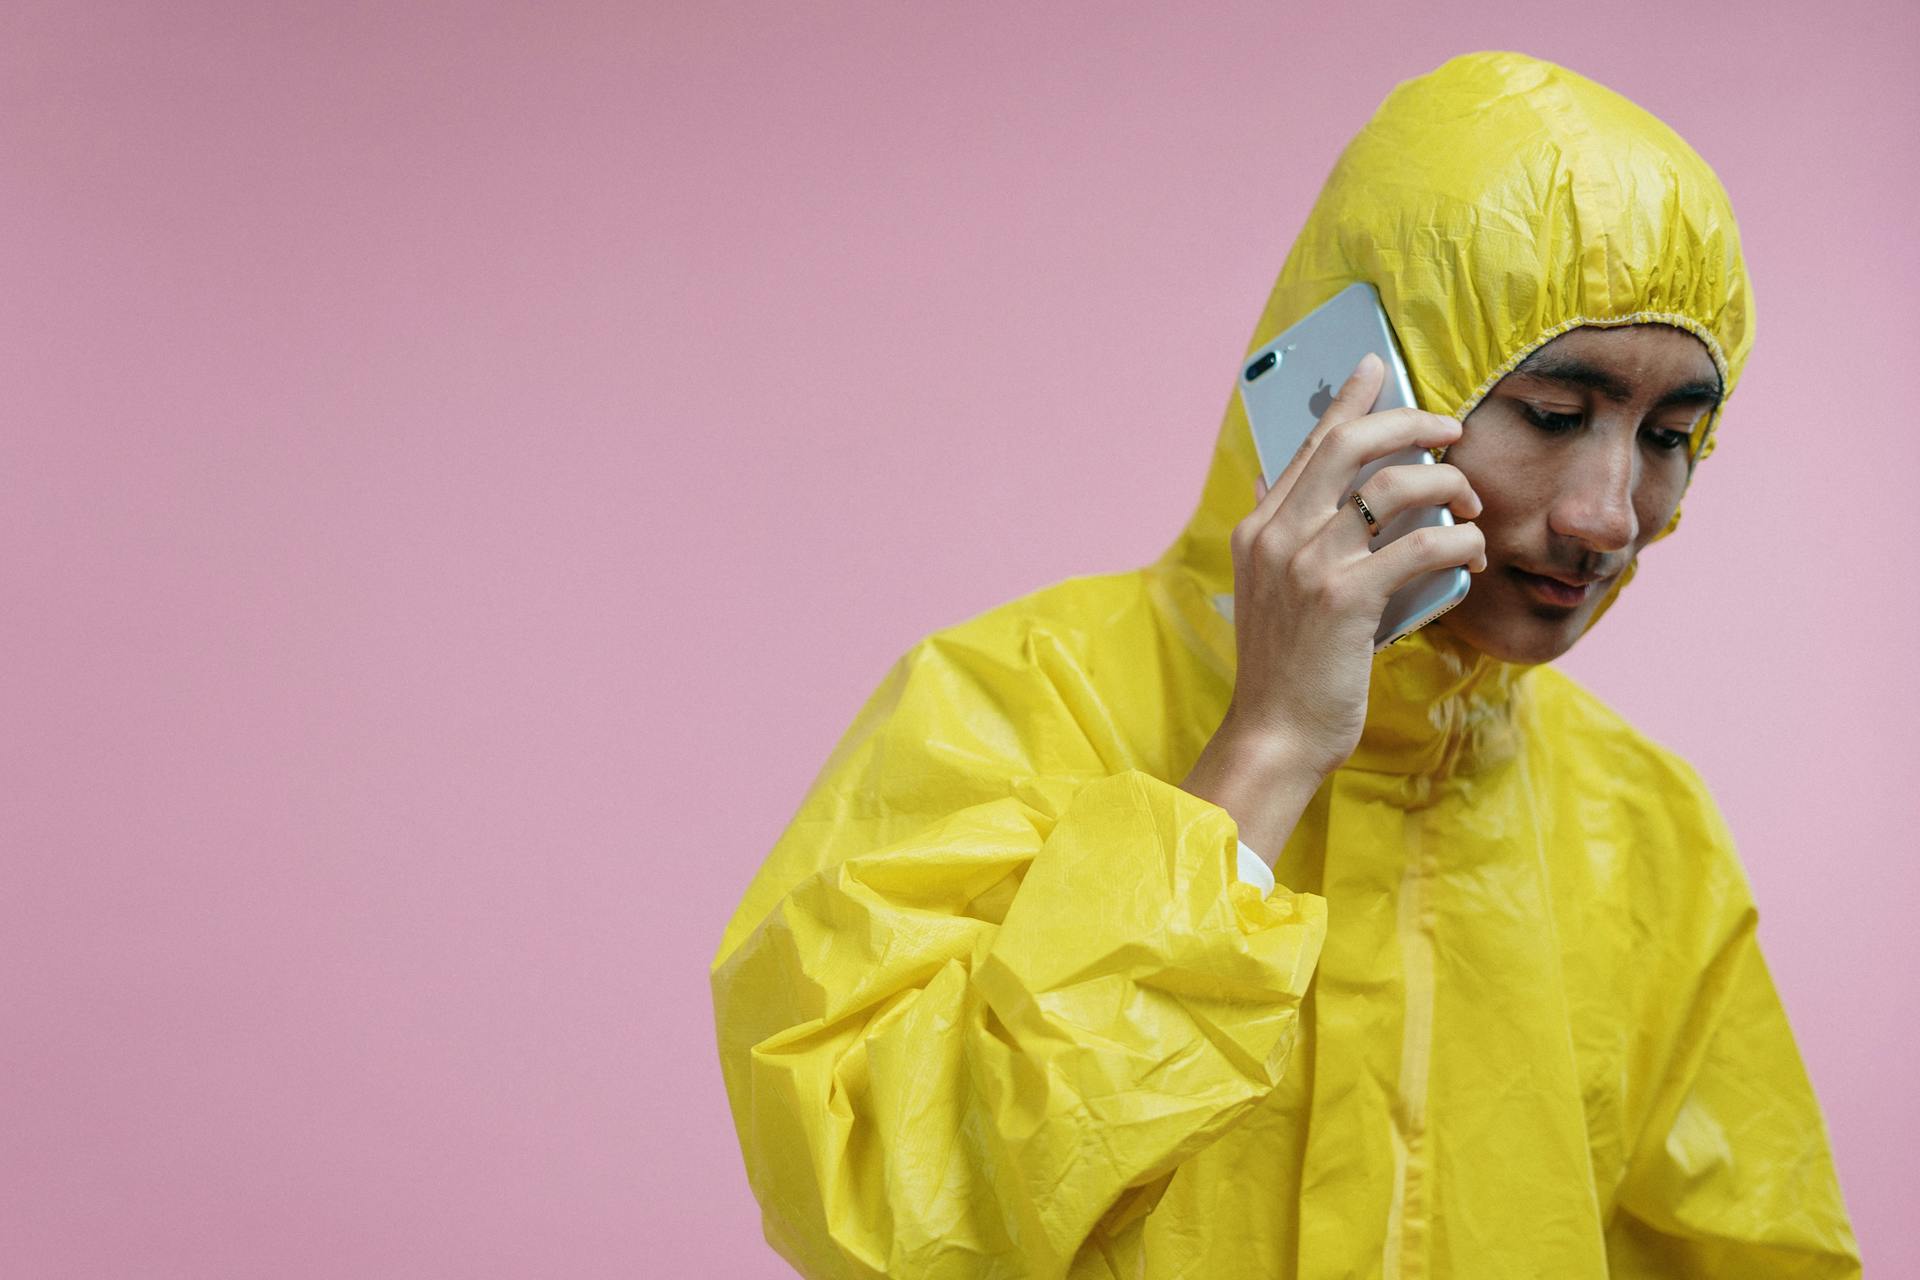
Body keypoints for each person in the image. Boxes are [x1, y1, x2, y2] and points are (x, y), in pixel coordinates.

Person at [709, 51, 1861, 1279]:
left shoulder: (1646, 830)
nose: (1609, 514)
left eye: (1671, 437)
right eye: (1555, 413)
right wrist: (1261, 755)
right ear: (1360, 380)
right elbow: (894, 1215)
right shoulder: (1007, 704)